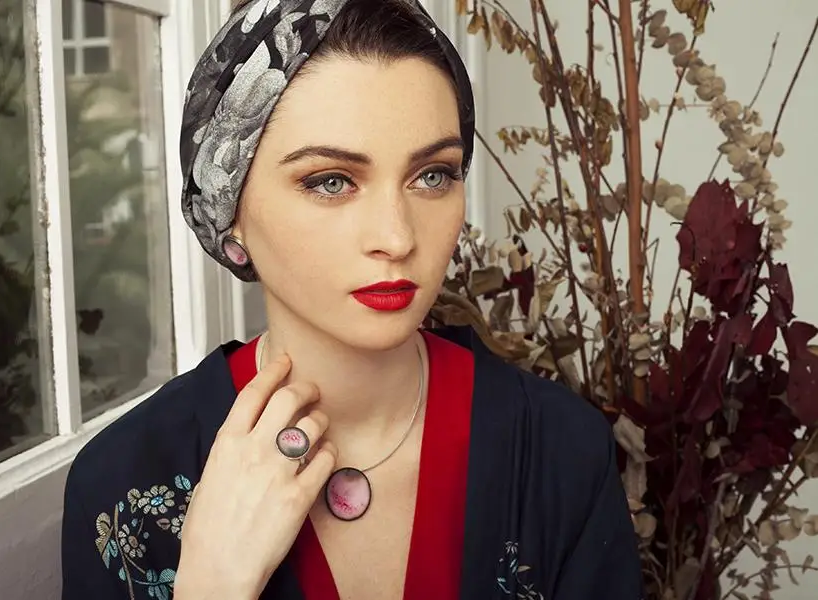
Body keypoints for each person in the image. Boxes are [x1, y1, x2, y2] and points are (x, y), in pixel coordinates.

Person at [59, 0, 643, 598]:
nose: (397, 237)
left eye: (433, 175)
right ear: (229, 211)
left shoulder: (560, 451)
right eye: (331, 181)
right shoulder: (124, 490)